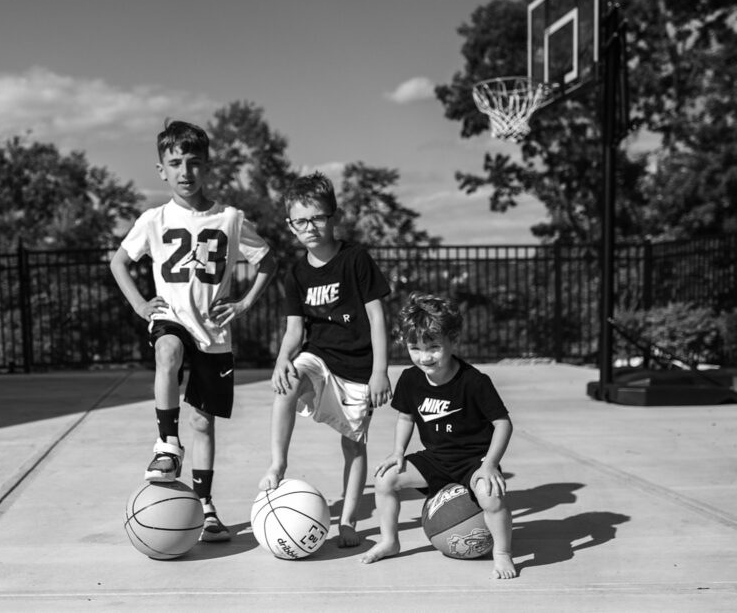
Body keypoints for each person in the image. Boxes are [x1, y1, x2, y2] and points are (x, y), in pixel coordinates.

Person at [110, 119, 276, 543]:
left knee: (203, 424)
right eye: (175, 163)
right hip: (172, 318)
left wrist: (242, 303)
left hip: (214, 333)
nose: (185, 172)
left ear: (208, 167)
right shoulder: (154, 219)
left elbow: (268, 262)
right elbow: (119, 262)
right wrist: (140, 304)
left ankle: (205, 505)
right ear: (162, 170)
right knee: (167, 352)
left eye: (194, 163)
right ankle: (167, 444)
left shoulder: (231, 219)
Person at [258, 172, 391, 548]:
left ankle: (348, 520)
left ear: (334, 217)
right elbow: (295, 330)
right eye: (300, 221)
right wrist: (283, 360)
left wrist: (381, 371)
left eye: (317, 218)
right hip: (317, 357)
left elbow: (378, 317)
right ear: (290, 226)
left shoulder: (355, 259)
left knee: (354, 445)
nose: (310, 227)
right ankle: (278, 463)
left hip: (356, 368)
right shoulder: (296, 273)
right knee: (287, 384)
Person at [361, 292, 517, 579]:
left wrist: (490, 464)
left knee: (491, 497)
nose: (424, 357)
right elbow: (406, 416)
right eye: (415, 348)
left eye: (433, 347)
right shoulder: (410, 378)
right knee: (385, 480)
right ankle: (390, 541)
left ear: (453, 340)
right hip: (436, 458)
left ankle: (502, 553)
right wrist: (398, 452)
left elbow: (503, 424)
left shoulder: (474, 381)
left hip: (474, 461)